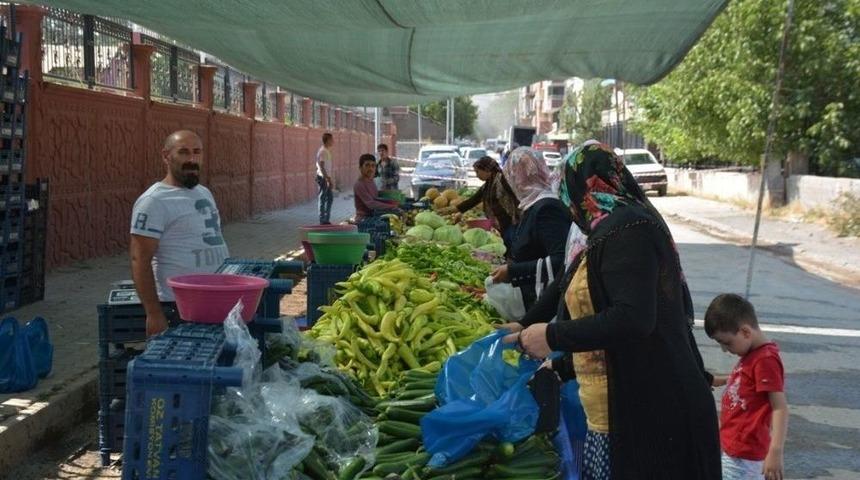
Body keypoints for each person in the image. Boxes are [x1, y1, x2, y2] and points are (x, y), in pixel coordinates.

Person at [502, 141, 721, 479]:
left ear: (580, 186)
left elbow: (633, 319)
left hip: (656, 415)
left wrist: (552, 335)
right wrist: (545, 345)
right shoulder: (609, 227)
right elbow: (572, 288)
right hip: (635, 402)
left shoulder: (627, 231)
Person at [130, 130, 230, 337]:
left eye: (197, 152)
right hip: (179, 307)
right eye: (183, 152)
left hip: (215, 299)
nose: (192, 159)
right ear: (166, 156)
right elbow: (139, 259)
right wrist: (154, 314)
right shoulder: (154, 201)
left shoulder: (204, 192)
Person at [705, 294, 788, 480]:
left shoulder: (765, 360)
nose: (725, 350)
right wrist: (715, 380)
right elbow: (744, 381)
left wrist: (775, 450)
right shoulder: (752, 354)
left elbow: (779, 407)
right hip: (735, 450)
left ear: (745, 332)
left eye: (727, 343)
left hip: (745, 456)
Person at [490, 147, 570, 310]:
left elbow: (562, 261)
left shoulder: (547, 208)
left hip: (545, 306)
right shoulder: (534, 204)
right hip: (533, 299)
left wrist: (514, 272)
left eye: (515, 176)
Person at [440, 156, 520, 250]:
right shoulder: (487, 185)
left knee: (510, 248)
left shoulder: (503, 180)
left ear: (487, 170)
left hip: (510, 222)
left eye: (477, 172)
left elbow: (517, 196)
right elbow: (473, 201)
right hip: (499, 224)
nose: (477, 175)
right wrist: (449, 210)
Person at [354, 153, 400, 222]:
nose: (370, 168)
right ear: (360, 167)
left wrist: (392, 199)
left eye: (373, 166)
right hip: (363, 220)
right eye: (367, 165)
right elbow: (371, 204)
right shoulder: (359, 184)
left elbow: (376, 197)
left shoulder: (371, 181)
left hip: (374, 216)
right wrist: (392, 207)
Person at [316, 132, 335, 224]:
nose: (333, 141)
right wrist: (327, 178)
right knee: (323, 198)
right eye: (332, 140)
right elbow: (321, 166)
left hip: (326, 177)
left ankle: (326, 219)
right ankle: (322, 220)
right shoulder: (323, 151)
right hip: (323, 178)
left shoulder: (326, 150)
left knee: (330, 198)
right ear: (327, 140)